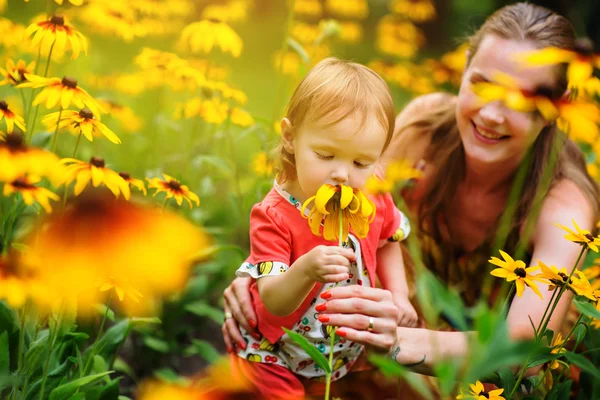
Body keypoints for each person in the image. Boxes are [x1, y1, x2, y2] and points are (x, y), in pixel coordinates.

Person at [223, 2, 600, 394]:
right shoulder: (422, 132)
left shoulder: (562, 202)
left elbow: (524, 350)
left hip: (485, 380)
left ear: (562, 102)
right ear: (463, 72)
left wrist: (393, 340)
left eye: (523, 97)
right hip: (365, 354)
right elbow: (329, 198)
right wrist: (260, 279)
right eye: (482, 85)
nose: (491, 114)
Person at [228, 57, 418, 399]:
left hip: (340, 350)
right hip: (275, 354)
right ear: (289, 137)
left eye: (361, 162)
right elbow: (273, 300)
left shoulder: (371, 193)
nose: (342, 174)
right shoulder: (274, 215)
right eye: (326, 155)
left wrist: (400, 295)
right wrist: (305, 270)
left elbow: (390, 240)